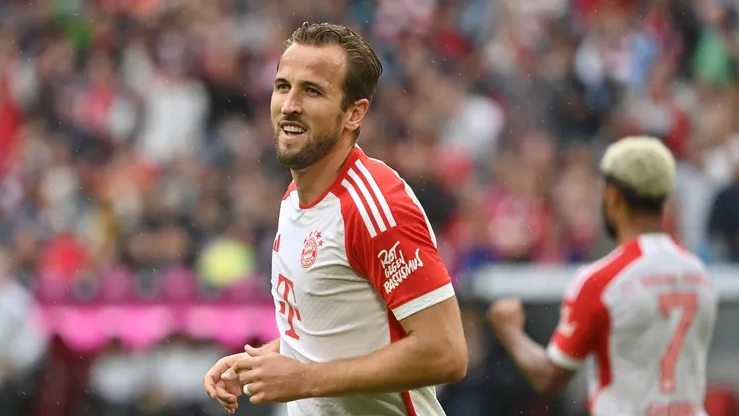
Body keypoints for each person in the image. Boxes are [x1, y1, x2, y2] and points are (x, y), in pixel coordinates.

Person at [203, 22, 467, 415]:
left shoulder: (376, 206)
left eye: (312, 91)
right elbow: (331, 335)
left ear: (354, 114)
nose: (289, 105)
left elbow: (445, 352)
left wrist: (303, 379)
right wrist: (263, 362)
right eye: (283, 86)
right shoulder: (295, 199)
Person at [488, 136, 718, 416]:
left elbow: (549, 377)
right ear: (664, 199)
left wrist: (509, 329)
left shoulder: (602, 280)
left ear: (613, 196)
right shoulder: (699, 275)